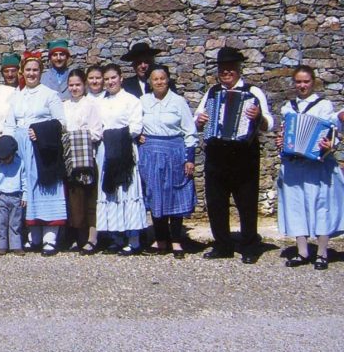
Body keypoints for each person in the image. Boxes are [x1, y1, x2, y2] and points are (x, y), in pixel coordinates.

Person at [195, 46, 273, 263]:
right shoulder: (212, 93)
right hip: (217, 153)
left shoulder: (253, 92)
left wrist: (259, 116)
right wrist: (200, 121)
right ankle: (223, 244)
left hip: (243, 153)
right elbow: (198, 117)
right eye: (222, 68)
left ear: (238, 69)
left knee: (246, 201)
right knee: (216, 201)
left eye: (230, 68)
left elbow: (269, 123)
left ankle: (249, 246)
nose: (226, 72)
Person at [275, 65, 344, 270]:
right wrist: (280, 142)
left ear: (313, 82)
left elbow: (334, 134)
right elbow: (285, 135)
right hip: (294, 164)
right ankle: (302, 251)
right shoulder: (288, 108)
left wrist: (329, 145)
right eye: (298, 82)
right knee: (296, 205)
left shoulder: (324, 106)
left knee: (321, 205)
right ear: (294, 83)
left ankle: (322, 253)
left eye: (306, 81)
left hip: (318, 165)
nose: (302, 85)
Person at [5, 52, 67, 255]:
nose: (31, 74)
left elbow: (61, 123)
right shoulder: (16, 96)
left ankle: (50, 238)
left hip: (42, 147)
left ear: (41, 72)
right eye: (28, 70)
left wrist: (40, 131)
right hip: (21, 146)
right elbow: (9, 124)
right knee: (27, 189)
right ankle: (34, 237)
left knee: (45, 189)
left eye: (35, 70)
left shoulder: (49, 94)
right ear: (22, 71)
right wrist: (7, 147)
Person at [138, 64, 198, 258]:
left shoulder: (178, 101)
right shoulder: (143, 101)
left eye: (162, 78)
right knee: (155, 195)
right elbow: (133, 123)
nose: (159, 82)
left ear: (168, 79)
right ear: (149, 82)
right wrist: (137, 135)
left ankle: (176, 240)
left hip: (174, 152)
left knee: (175, 194)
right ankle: (160, 239)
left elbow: (189, 131)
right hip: (151, 152)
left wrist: (190, 158)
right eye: (155, 79)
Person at [96, 63, 147, 255]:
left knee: (127, 191)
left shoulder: (131, 100)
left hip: (125, 148)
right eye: (107, 79)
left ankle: (133, 239)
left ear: (121, 78)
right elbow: (97, 125)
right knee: (111, 193)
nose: (110, 82)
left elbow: (135, 127)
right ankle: (115, 238)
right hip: (106, 150)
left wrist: (114, 134)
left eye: (113, 78)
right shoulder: (101, 101)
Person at [62, 68, 103, 253]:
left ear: (84, 85)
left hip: (87, 158)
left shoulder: (90, 105)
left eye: (77, 84)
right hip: (70, 158)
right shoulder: (64, 105)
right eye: (71, 85)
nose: (74, 88)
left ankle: (92, 238)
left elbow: (96, 132)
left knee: (89, 198)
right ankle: (77, 236)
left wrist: (77, 135)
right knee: (74, 199)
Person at [0, 135, 25, 255]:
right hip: (1, 196)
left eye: (6, 158)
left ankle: (16, 245)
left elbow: (24, 180)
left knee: (15, 223)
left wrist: (25, 195)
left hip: (16, 196)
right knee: (0, 223)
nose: (3, 161)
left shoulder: (20, 163)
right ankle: (1, 245)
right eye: (1, 158)